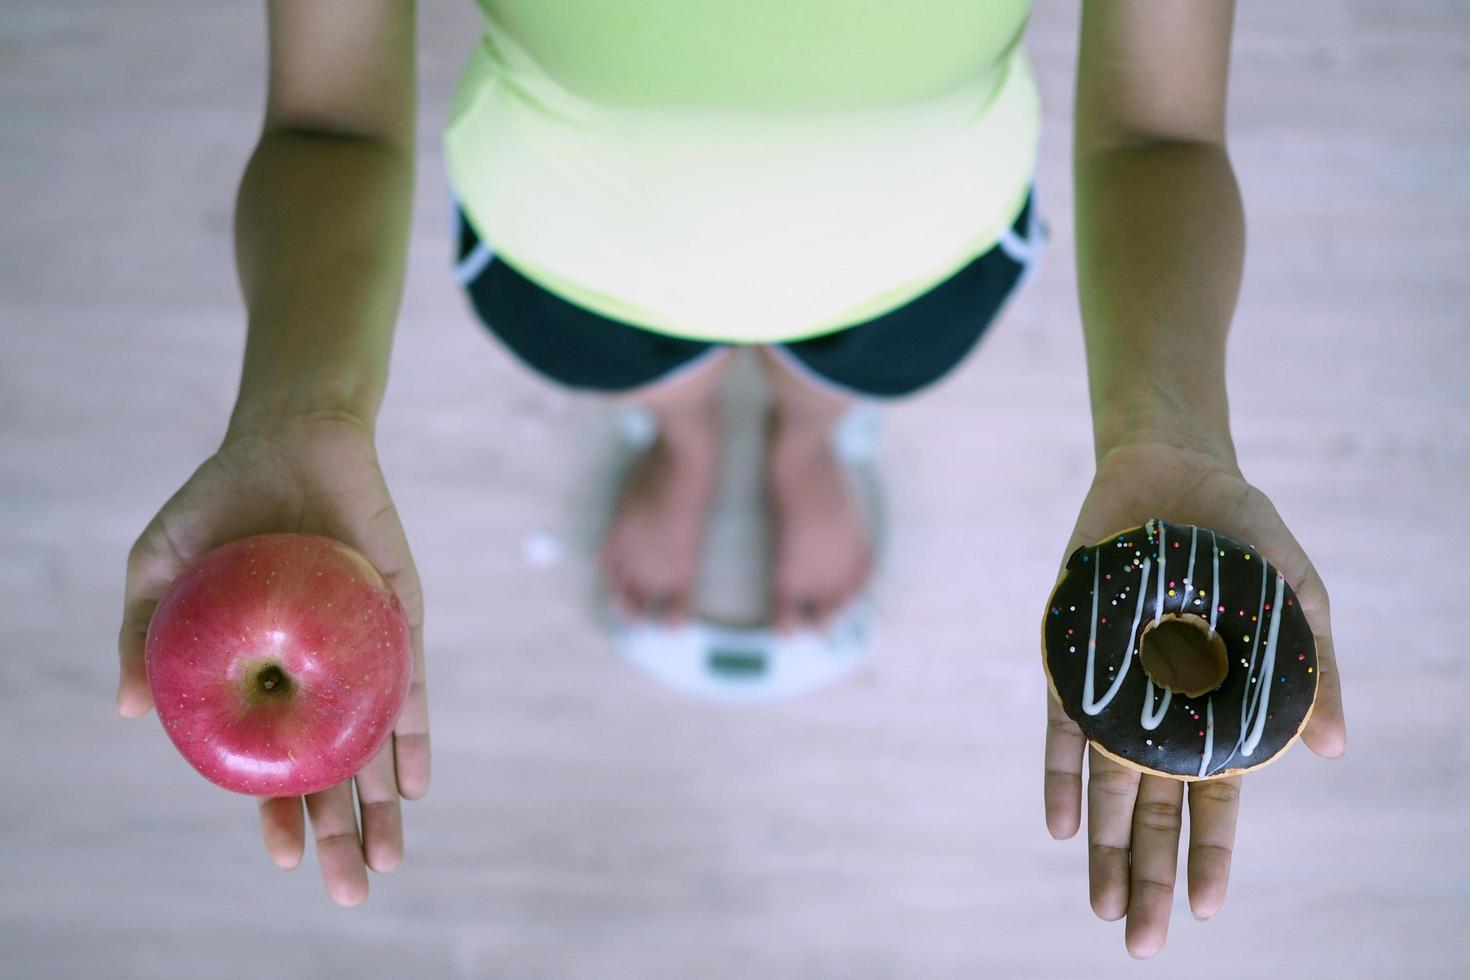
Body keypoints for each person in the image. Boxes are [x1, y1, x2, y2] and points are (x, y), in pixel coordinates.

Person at [114, 0, 1346, 958]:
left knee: (855, 368)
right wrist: (300, 402)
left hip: (919, 260)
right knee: (642, 370)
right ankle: (691, 434)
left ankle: (799, 435)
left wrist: (1169, 429)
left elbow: (1163, 129)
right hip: (569, 260)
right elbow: (331, 114)